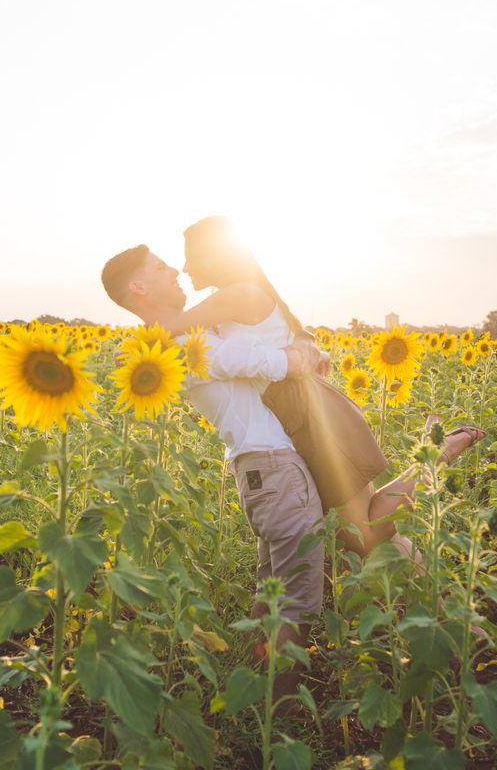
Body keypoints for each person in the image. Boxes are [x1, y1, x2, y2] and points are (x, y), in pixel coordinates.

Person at [156, 215, 486, 564]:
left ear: (212, 256)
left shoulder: (237, 293)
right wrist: (306, 348)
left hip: (313, 418)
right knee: (355, 531)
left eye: (189, 257)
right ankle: (421, 574)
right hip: (300, 418)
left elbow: (166, 331)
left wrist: (132, 351)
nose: (184, 267)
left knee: (364, 533)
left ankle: (438, 453)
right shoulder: (239, 294)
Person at [100, 244, 327, 704]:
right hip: (275, 466)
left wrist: (299, 348)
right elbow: (271, 362)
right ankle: (278, 712)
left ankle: (252, 699)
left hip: (259, 468)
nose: (175, 272)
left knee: (273, 588)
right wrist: (303, 353)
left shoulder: (181, 337)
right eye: (161, 267)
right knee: (295, 602)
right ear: (138, 287)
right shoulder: (186, 344)